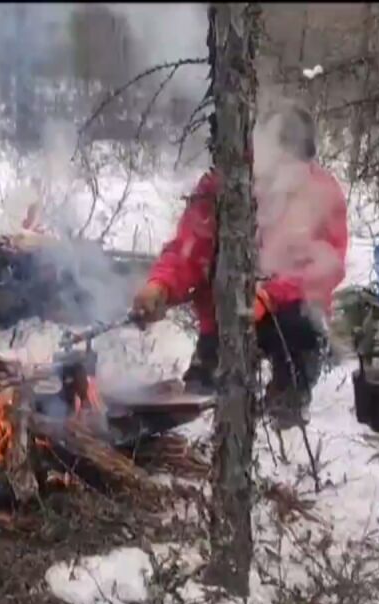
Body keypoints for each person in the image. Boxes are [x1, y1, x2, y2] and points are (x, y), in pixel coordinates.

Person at [130, 106, 349, 428]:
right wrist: (160, 286)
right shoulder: (223, 185)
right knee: (200, 398)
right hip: (226, 315)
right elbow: (188, 250)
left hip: (286, 315)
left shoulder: (320, 192)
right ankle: (210, 384)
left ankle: (286, 403)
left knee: (305, 326)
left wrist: (270, 296)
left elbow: (327, 267)